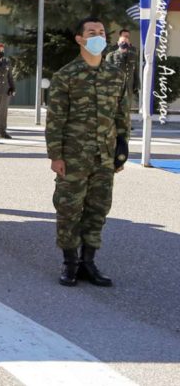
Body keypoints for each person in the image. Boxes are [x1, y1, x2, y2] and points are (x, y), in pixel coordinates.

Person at [46, 16, 129, 287]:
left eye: (102, 32)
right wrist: (55, 155)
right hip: (73, 157)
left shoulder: (116, 75)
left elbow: (121, 116)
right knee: (68, 208)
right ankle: (70, 263)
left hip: (104, 156)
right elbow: (55, 119)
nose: (98, 36)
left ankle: (88, 262)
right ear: (79, 39)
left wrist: (122, 148)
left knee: (98, 209)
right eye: (92, 33)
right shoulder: (66, 76)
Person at [106, 29, 138, 110]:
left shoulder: (133, 53)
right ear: (118, 42)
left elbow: (135, 70)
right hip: (116, 86)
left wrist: (137, 85)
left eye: (127, 39)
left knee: (127, 108)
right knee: (115, 108)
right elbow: (107, 72)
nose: (124, 43)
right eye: (123, 40)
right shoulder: (111, 54)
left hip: (129, 85)